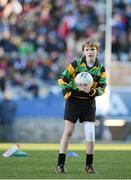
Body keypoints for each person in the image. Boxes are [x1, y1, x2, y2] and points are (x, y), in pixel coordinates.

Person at [55, 37, 107, 174]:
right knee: (68, 132)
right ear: (83, 51)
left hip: (89, 102)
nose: (90, 52)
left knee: (90, 133)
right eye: (87, 49)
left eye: (93, 49)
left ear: (97, 51)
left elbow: (102, 88)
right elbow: (61, 78)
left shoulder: (101, 68)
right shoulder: (76, 64)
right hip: (73, 101)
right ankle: (60, 164)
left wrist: (90, 91)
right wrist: (66, 90)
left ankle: (89, 165)